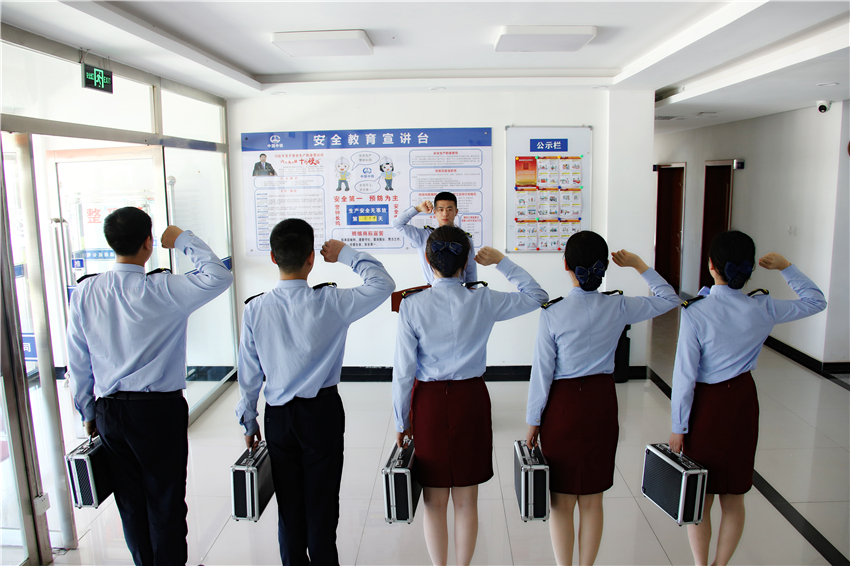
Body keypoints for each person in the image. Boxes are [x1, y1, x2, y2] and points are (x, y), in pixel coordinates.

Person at [67, 207, 233, 566]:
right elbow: (218, 275)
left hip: (109, 410)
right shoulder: (165, 289)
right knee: (166, 499)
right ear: (148, 243)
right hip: (158, 411)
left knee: (130, 501)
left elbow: (78, 360)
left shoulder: (85, 291)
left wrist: (87, 411)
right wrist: (182, 239)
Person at [236, 218, 394, 566]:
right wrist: (345, 254)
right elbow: (383, 284)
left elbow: (249, 373)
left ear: (273, 258)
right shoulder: (332, 301)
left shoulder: (255, 309)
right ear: (311, 258)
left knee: (289, 506)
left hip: (278, 417)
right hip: (321, 413)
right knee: (322, 505)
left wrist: (248, 419)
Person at [668, 231, 826, 566]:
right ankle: (721, 564)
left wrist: (678, 426)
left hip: (706, 408)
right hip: (742, 402)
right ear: (750, 269)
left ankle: (701, 565)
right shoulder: (763, 306)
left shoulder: (696, 311)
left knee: (701, 495)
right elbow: (816, 301)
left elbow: (684, 377)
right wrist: (786, 267)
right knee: (733, 497)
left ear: (711, 266)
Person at [393, 226, 547, 566]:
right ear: (466, 263)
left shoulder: (411, 305)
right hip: (471, 400)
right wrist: (502, 262)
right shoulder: (484, 299)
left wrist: (401, 420)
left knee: (434, 502)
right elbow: (538, 295)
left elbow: (403, 371)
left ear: (427, 260)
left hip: (429, 402)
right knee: (466, 501)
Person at [525, 230, 679, 566]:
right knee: (593, 500)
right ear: (605, 266)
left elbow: (542, 373)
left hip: (562, 407)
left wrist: (533, 421)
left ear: (566, 265)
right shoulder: (618, 305)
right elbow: (670, 299)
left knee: (561, 501)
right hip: (601, 403)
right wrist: (638, 265)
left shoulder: (553, 312)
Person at [391, 191, 478, 285]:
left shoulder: (464, 239)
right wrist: (418, 209)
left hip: (458, 289)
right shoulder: (424, 236)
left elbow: (471, 272)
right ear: (434, 212)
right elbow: (397, 224)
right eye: (441, 209)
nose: (445, 214)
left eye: (449, 209)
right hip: (432, 289)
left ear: (456, 212)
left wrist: (471, 292)